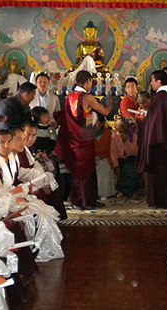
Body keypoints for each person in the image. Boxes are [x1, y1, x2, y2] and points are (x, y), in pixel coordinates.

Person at [55, 70, 112, 209]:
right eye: (90, 82)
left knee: (78, 169)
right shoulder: (87, 97)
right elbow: (105, 112)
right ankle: (85, 201)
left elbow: (68, 119)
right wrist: (110, 102)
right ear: (87, 82)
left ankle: (81, 199)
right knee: (87, 170)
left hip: (73, 137)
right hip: (85, 137)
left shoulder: (70, 96)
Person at [137, 70, 167, 209]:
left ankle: (159, 201)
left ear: (159, 82)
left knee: (160, 173)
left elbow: (155, 123)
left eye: (152, 80)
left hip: (159, 142)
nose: (151, 83)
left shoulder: (159, 97)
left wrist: (144, 121)